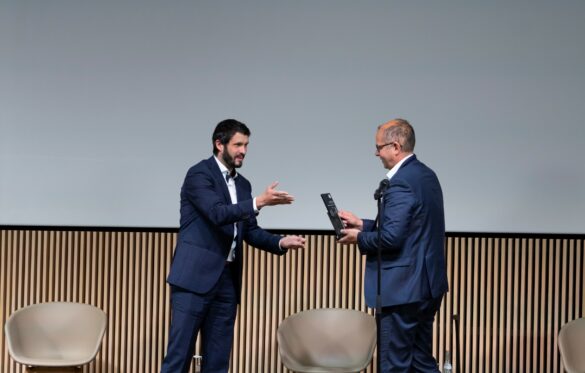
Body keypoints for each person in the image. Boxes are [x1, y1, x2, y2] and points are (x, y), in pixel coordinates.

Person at [160, 119, 305, 373]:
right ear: (219, 144)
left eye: (246, 145)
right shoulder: (199, 174)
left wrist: (280, 241)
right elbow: (217, 214)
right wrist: (258, 202)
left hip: (227, 280)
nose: (243, 151)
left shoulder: (243, 184)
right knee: (179, 357)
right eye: (238, 144)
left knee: (217, 361)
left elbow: (249, 230)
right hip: (194, 279)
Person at [337, 118, 448, 372]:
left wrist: (358, 238)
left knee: (394, 365)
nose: (376, 153)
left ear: (395, 147)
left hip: (403, 289)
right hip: (427, 286)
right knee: (420, 361)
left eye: (379, 147)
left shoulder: (400, 182)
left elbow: (391, 238)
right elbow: (412, 228)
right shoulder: (425, 175)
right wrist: (363, 224)